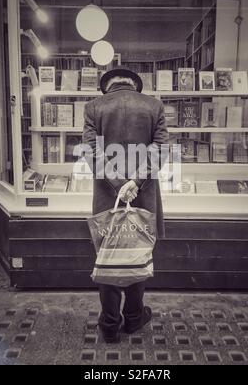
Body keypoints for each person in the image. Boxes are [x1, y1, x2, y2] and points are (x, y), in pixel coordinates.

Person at [83, 66, 169, 343]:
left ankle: (109, 323)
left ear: (107, 85)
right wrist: (136, 182)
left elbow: (91, 152)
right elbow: (161, 149)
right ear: (134, 84)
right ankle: (134, 317)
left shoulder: (94, 107)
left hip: (107, 196)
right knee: (137, 252)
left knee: (109, 255)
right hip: (143, 195)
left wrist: (119, 184)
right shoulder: (154, 106)